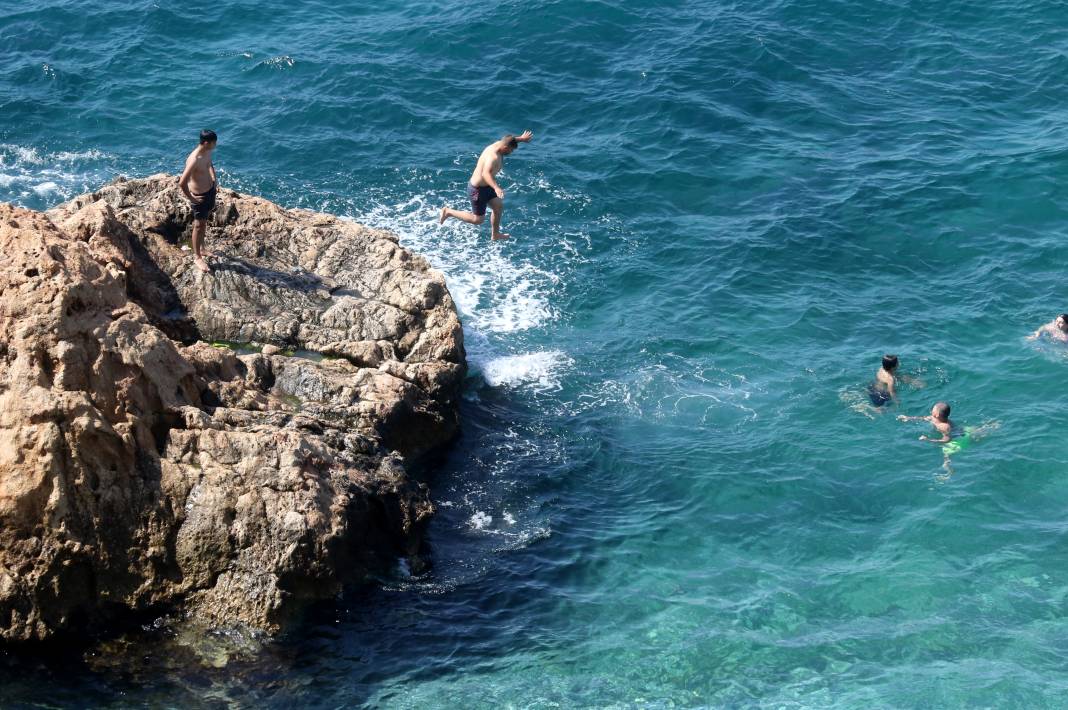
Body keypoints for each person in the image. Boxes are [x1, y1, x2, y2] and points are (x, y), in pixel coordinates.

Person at [439, 130, 533, 240]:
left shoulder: (501, 143)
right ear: (505, 148)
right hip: (477, 189)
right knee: (478, 220)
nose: (511, 153)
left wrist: (521, 139)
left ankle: (495, 234)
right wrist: (496, 188)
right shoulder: (493, 157)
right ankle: (448, 211)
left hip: (487, 186)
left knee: (498, 207)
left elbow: (509, 140)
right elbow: (485, 174)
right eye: (511, 151)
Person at [178, 129, 219, 273]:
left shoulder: (207, 151)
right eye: (214, 142)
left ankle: (202, 248)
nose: (216, 144)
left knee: (204, 222)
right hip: (199, 196)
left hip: (209, 191)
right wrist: (192, 198)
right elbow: (182, 182)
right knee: (198, 226)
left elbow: (209, 164)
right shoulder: (194, 159)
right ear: (207, 143)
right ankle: (197, 257)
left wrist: (214, 179)